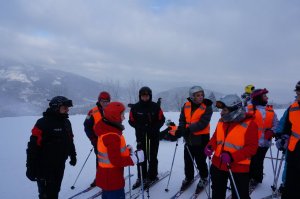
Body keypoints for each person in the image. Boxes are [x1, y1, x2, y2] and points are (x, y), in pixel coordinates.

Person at [205, 94, 258, 199]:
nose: (221, 113)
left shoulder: (249, 125)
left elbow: (252, 148)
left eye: (224, 110)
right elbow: (215, 138)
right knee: (217, 193)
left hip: (238, 168)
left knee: (240, 195)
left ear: (235, 110)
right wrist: (210, 146)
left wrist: (232, 157)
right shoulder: (222, 121)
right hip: (217, 164)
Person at [26, 96, 77, 199]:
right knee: (46, 194)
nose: (67, 110)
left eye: (68, 108)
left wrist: (73, 155)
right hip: (44, 167)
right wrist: (30, 167)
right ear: (56, 107)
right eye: (65, 107)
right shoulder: (42, 123)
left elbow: (70, 140)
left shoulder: (66, 123)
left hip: (60, 164)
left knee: (55, 190)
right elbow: (32, 147)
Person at [94, 102, 144, 199]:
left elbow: (111, 153)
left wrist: (126, 151)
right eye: (122, 115)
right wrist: (134, 159)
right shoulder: (112, 136)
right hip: (113, 180)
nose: (124, 118)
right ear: (114, 117)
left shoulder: (106, 129)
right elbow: (115, 161)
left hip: (106, 177)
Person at [175, 86, 213, 192]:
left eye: (202, 95)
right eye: (198, 95)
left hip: (201, 137)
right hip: (189, 137)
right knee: (188, 159)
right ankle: (189, 177)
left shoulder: (207, 106)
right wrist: (181, 129)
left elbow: (203, 123)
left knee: (200, 160)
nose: (200, 97)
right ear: (192, 97)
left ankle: (204, 177)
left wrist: (188, 130)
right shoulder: (186, 105)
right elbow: (182, 119)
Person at [128, 86, 165, 189]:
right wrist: (139, 127)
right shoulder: (135, 107)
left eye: (147, 95)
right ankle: (141, 177)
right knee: (141, 156)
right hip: (140, 135)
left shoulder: (155, 107)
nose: (145, 97)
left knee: (152, 156)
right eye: (143, 96)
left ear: (150, 96)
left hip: (153, 135)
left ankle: (152, 176)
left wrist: (155, 127)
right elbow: (131, 120)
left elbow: (161, 119)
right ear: (140, 96)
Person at [248, 88, 279, 186]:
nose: (267, 98)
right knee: (249, 161)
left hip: (264, 142)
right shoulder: (249, 109)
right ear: (258, 98)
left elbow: (276, 124)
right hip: (250, 142)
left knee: (258, 161)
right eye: (265, 96)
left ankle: (256, 178)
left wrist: (272, 131)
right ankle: (248, 176)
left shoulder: (270, 111)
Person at [275, 81, 300, 199]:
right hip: (293, 149)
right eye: (297, 92)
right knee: (290, 179)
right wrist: (281, 136)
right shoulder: (293, 108)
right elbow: (285, 124)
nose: (298, 95)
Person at [83, 91, 111, 187]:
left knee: (112, 159)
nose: (105, 103)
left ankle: (110, 177)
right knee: (100, 160)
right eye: (103, 101)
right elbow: (87, 126)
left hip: (111, 141)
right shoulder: (92, 112)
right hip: (98, 141)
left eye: (107, 101)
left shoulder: (112, 110)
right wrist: (93, 139)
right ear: (99, 101)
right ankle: (99, 178)